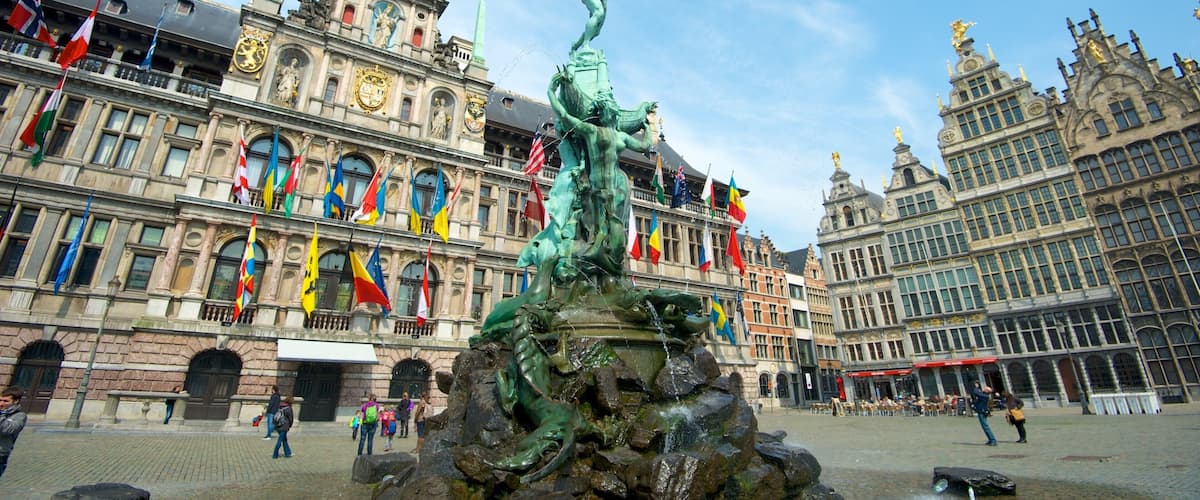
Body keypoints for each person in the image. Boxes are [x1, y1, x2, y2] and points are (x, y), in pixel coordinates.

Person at [0, 388, 28, 479]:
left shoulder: (19, 416)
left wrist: (1, 415)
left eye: (6, 401)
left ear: (15, 401)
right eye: (0, 400)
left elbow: (8, 429)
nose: (1, 404)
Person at [970, 380, 997, 446]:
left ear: (987, 391)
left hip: (982, 412)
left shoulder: (985, 396)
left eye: (985, 388)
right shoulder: (984, 395)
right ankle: (990, 440)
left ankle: (993, 440)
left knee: (985, 426)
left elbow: (976, 392)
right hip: (981, 411)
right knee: (984, 427)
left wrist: (976, 387)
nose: (983, 389)